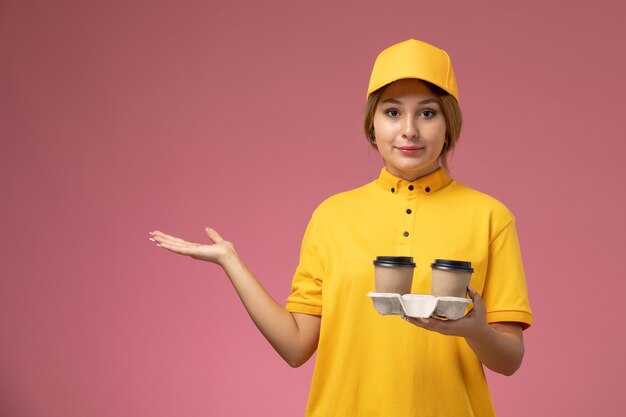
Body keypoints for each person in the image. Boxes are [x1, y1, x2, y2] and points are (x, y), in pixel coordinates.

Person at [150, 39, 532, 417]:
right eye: (393, 112)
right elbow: (296, 346)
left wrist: (475, 330)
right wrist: (230, 261)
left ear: (450, 124)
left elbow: (509, 359)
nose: (409, 130)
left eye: (428, 113)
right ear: (372, 124)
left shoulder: (490, 217)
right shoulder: (332, 216)